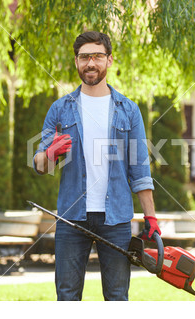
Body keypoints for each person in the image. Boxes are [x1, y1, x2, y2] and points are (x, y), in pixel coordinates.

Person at [33, 31, 161, 301]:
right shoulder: (60, 109)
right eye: (84, 57)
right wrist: (49, 154)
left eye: (97, 56)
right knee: (67, 296)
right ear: (76, 62)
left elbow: (139, 168)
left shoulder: (128, 109)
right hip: (71, 217)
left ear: (109, 60)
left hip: (115, 219)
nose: (90, 63)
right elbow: (41, 166)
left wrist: (150, 216)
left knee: (116, 297)